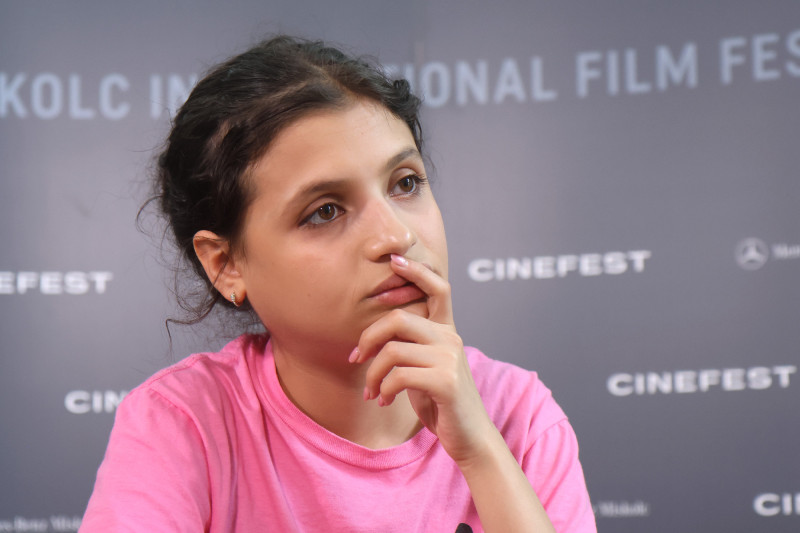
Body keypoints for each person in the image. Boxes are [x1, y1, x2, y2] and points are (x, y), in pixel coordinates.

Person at [80, 35, 596, 532]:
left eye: (405, 183)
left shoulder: (519, 415)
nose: (396, 236)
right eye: (325, 211)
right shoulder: (184, 422)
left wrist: (480, 452)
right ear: (226, 264)